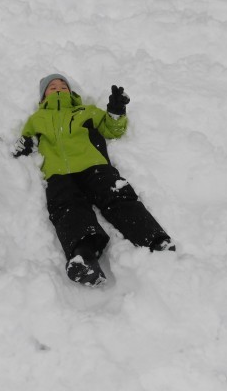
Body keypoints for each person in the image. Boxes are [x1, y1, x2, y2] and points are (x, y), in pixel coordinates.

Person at [14, 73, 174, 287]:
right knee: (67, 208)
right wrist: (23, 147)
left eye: (63, 85)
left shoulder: (85, 111)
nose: (59, 88)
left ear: (71, 91)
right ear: (43, 97)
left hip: (94, 165)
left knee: (117, 194)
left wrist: (116, 111)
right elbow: (26, 144)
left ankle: (154, 238)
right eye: (52, 87)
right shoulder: (36, 119)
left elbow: (112, 130)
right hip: (58, 173)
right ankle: (84, 256)